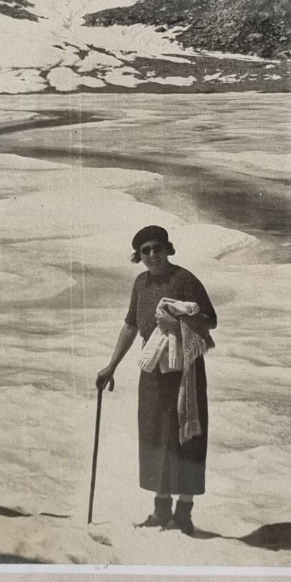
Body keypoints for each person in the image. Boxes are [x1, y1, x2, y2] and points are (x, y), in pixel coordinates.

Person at [96, 224, 219, 535]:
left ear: (168, 249)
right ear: (139, 256)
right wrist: (111, 366)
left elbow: (211, 320)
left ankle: (184, 514)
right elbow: (130, 325)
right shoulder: (141, 283)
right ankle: (160, 511)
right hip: (152, 370)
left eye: (157, 248)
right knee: (154, 434)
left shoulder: (185, 279)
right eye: (145, 251)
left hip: (185, 371)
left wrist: (179, 322)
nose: (152, 255)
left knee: (186, 436)